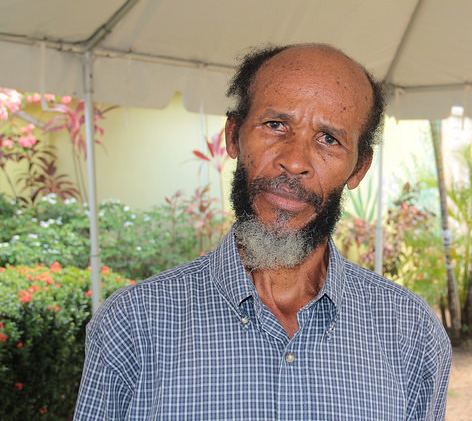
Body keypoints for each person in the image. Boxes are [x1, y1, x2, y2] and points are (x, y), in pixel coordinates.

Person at [74, 43, 451, 420]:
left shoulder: (411, 334)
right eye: (275, 125)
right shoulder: (134, 324)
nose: (295, 161)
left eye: (329, 139)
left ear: (358, 169)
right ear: (234, 135)